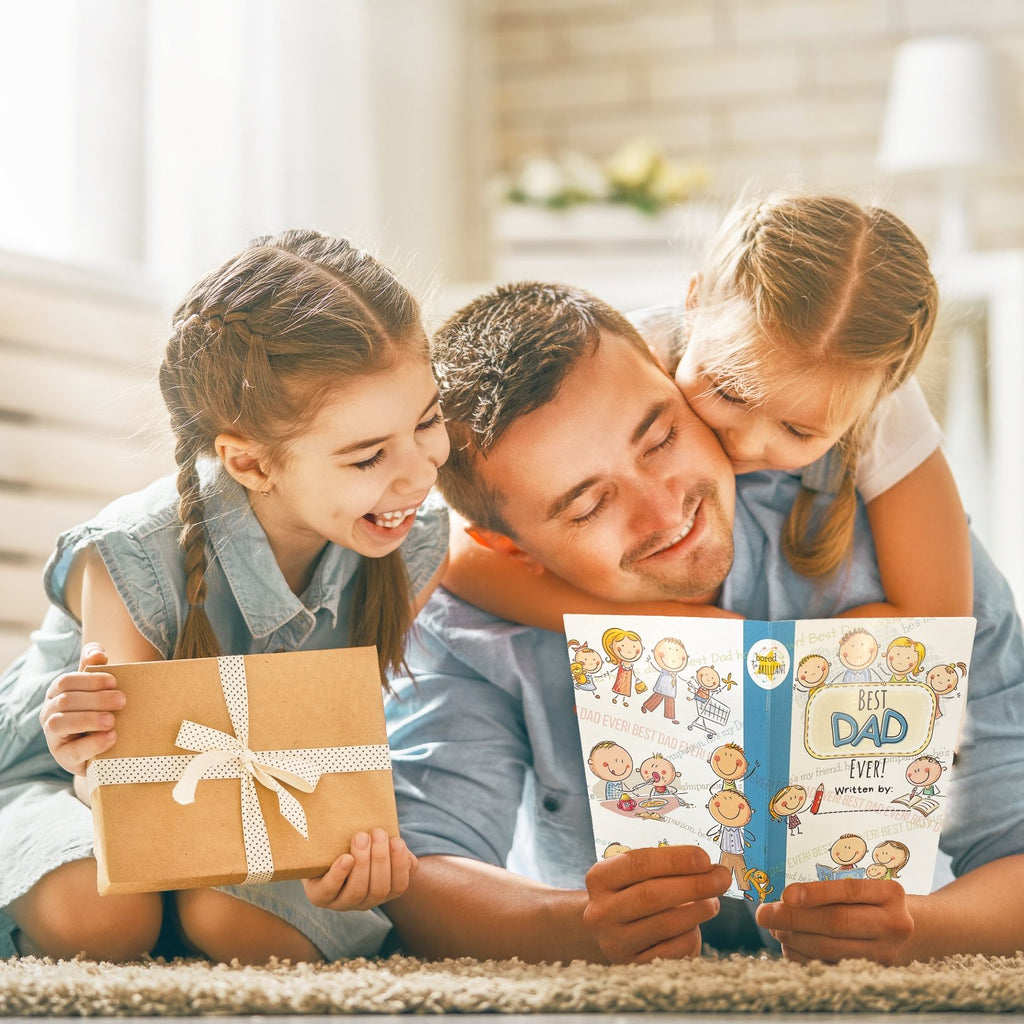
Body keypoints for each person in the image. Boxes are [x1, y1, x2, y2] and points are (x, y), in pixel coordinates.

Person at [383, 276, 1024, 966]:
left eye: (661, 438)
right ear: (507, 548)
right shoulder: (467, 615)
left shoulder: (896, 552)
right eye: (589, 506)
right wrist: (569, 925)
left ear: (680, 383)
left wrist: (923, 930)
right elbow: (418, 867)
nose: (666, 512)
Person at [0, 231, 450, 963]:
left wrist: (352, 853)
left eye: (428, 420)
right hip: (70, 792)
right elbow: (119, 786)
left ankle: (191, 917)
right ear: (249, 462)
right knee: (102, 918)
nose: (417, 472)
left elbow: (348, 755)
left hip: (270, 800)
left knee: (239, 924)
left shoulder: (413, 540)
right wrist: (86, 753)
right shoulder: (133, 553)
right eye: (368, 456)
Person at [441, 192, 972, 630]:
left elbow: (939, 621)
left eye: (796, 429)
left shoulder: (877, 401)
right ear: (693, 307)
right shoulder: (615, 365)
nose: (743, 443)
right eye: (730, 393)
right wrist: (657, 624)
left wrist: (750, 654)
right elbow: (452, 549)